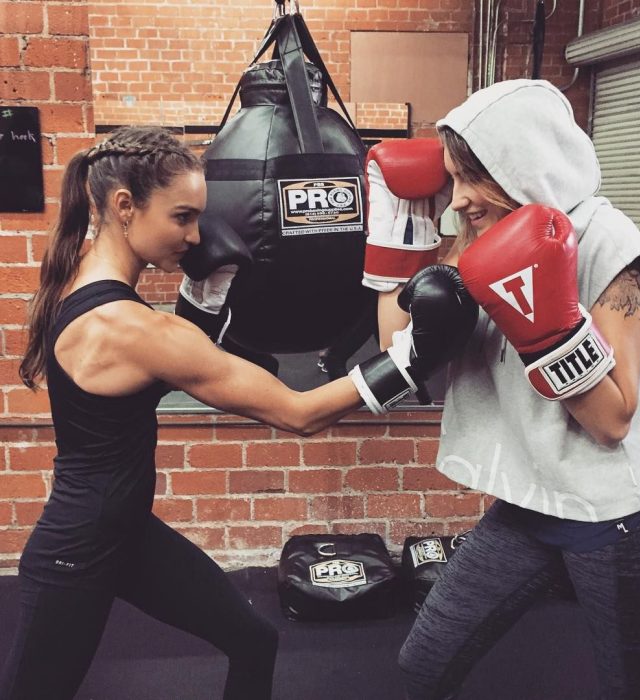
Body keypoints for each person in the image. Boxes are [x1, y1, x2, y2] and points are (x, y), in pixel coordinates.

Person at [2, 126, 474, 700]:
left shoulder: (83, 282)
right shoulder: (130, 327)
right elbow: (300, 413)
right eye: (182, 217)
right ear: (125, 206)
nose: (196, 234)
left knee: (254, 641)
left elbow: (160, 370)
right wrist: (411, 359)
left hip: (127, 535)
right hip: (76, 553)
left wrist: (206, 292)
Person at [364, 80, 640, 699]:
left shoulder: (606, 241)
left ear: (518, 164)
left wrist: (545, 331)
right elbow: (394, 348)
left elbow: (613, 419)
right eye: (448, 179)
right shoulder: (477, 243)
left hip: (610, 519)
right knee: (424, 662)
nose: (455, 200)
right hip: (529, 506)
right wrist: (397, 235)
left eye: (468, 179)